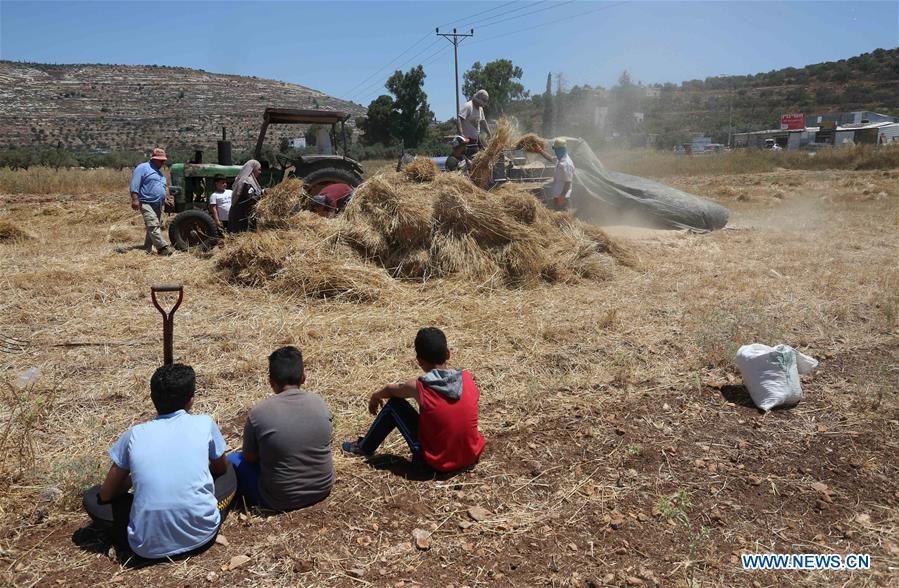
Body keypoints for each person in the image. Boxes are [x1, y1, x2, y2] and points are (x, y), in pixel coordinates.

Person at [82, 364, 236, 560]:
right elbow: (220, 468)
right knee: (230, 468)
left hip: (145, 546)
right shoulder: (204, 423)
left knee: (92, 496)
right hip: (203, 534)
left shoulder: (133, 435)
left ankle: (151, 525)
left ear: (152, 398)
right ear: (191, 400)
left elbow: (105, 495)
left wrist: (133, 479)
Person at [342, 328, 486, 473]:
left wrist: (376, 395)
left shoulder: (421, 386)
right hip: (470, 457)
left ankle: (363, 447)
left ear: (419, 361)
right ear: (448, 353)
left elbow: (391, 390)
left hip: (434, 464)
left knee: (394, 405)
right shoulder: (467, 378)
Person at [228, 346, 334, 511]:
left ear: (271, 382)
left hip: (279, 498)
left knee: (233, 460)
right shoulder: (320, 403)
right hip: (322, 488)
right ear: (304, 377)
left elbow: (249, 458)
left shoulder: (259, 413)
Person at [130, 147, 173, 256]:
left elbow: (162, 187)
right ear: (154, 158)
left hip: (158, 203)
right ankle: (163, 248)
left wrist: (166, 198)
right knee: (153, 225)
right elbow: (134, 184)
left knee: (155, 225)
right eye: (160, 160)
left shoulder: (159, 173)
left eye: (164, 160)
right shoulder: (143, 168)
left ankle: (147, 247)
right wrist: (135, 199)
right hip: (146, 202)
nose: (163, 162)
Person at [536, 138, 576, 210]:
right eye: (555, 149)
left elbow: (568, 183)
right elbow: (551, 158)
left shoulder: (566, 164)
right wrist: (540, 151)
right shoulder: (560, 159)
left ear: (562, 149)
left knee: (562, 218)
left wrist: (561, 198)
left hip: (563, 199)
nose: (555, 151)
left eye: (556, 149)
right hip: (558, 196)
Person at [228, 159, 266, 233]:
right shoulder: (246, 182)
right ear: (253, 169)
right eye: (259, 169)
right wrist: (262, 193)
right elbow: (249, 198)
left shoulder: (250, 181)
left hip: (242, 215)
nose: (260, 172)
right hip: (241, 216)